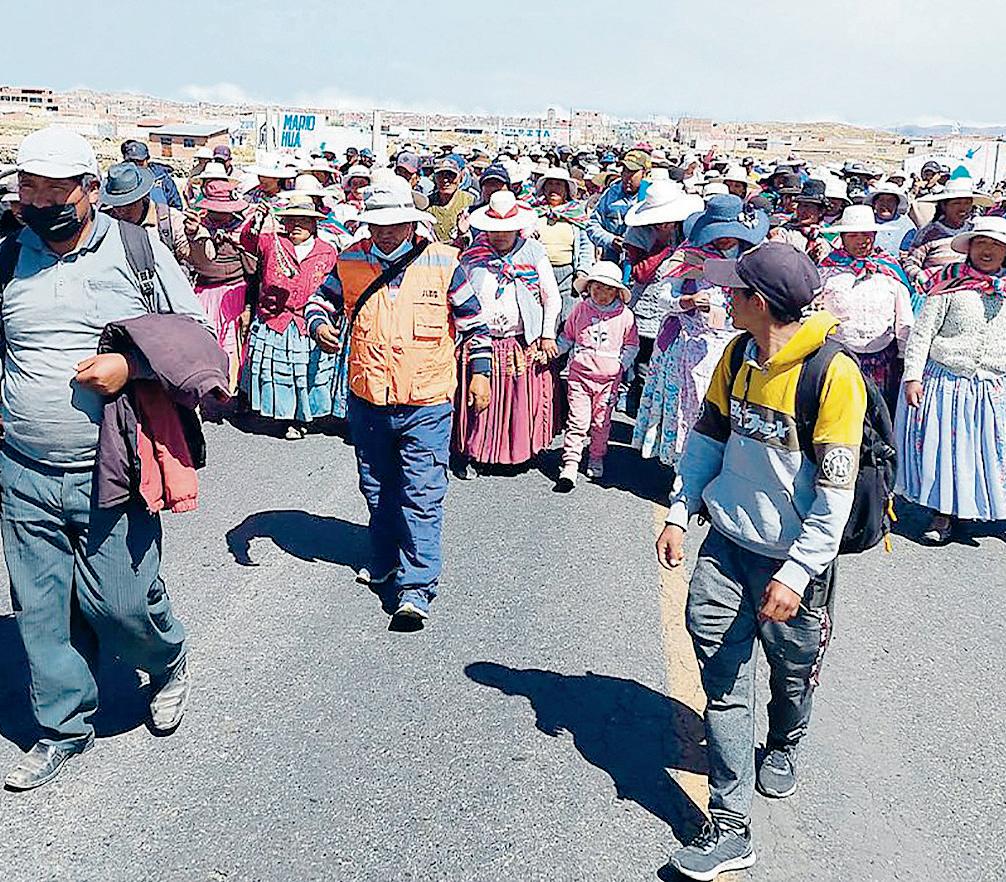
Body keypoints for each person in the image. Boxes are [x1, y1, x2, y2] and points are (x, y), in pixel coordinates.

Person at [0, 126, 213, 790]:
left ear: (91, 189)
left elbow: (200, 338)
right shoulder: (7, 254)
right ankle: (64, 726)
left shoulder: (137, 250)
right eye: (29, 188)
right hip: (23, 466)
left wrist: (130, 365)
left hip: (114, 467)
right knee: (42, 611)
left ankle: (167, 659)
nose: (39, 202)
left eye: (54, 189)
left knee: (121, 604)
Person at [656, 242, 867, 881]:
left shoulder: (834, 375)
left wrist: (797, 573)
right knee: (722, 682)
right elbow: (708, 438)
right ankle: (730, 826)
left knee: (791, 673)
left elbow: (835, 493)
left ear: (762, 302)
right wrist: (680, 510)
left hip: (792, 562)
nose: (725, 296)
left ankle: (783, 742)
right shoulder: (736, 354)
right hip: (727, 546)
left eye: (736, 290)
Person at [305, 179, 492, 622]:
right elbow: (319, 302)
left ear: (412, 222)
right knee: (376, 485)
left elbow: (475, 327)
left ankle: (416, 588)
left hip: (427, 401)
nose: (385, 233)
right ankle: (386, 558)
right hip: (368, 396)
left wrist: (480, 376)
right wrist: (319, 326)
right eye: (377, 225)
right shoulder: (349, 261)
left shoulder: (445, 262)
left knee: (421, 493)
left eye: (394, 225)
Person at [632, 195, 768, 467]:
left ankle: (726, 469)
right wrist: (688, 301)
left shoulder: (753, 257)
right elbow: (664, 296)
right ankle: (687, 468)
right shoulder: (689, 256)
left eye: (730, 233)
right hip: (692, 347)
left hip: (739, 344)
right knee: (692, 409)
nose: (725, 240)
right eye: (719, 233)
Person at [896, 215, 1006, 544]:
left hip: (992, 385)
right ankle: (943, 514)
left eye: (996, 245)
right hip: (948, 382)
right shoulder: (948, 284)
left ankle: (993, 510)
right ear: (969, 247)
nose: (987, 251)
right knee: (949, 453)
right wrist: (912, 377)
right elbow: (922, 334)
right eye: (981, 243)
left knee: (991, 453)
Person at [452, 191, 562, 477]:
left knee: (517, 401)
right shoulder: (473, 256)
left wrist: (547, 334)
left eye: (506, 230)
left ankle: (516, 452)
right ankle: (474, 451)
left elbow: (551, 296)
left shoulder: (534, 252)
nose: (499, 236)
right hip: (480, 340)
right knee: (478, 396)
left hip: (519, 341)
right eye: (494, 230)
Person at [238, 195, 340, 439]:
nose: (295, 225)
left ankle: (304, 417)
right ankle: (286, 418)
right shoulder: (272, 243)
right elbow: (247, 241)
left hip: (309, 323)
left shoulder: (327, 251)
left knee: (307, 372)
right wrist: (257, 218)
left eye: (303, 220)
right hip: (276, 321)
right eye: (291, 220)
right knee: (277, 372)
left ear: (314, 223)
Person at [817, 205, 915, 411]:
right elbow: (815, 312)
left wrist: (905, 358)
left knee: (879, 415)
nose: (861, 240)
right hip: (838, 357)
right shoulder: (826, 271)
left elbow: (904, 319)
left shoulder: (889, 270)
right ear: (842, 237)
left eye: (867, 234)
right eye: (853, 235)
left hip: (884, 361)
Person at [554, 262, 638, 490]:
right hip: (580, 376)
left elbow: (632, 345)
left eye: (609, 289)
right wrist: (554, 351)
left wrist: (620, 365)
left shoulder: (625, 316)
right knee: (578, 420)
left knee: (601, 422)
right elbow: (568, 336)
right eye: (597, 287)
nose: (602, 294)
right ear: (589, 287)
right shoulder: (580, 309)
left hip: (608, 381)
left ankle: (596, 456)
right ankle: (570, 463)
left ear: (617, 292)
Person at [184, 179, 256, 393]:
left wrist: (248, 306)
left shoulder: (243, 229)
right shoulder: (198, 226)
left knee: (231, 343)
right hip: (204, 291)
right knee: (204, 341)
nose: (218, 215)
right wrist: (196, 234)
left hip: (234, 292)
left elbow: (253, 268)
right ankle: (206, 385)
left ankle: (229, 387)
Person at [904, 177, 991, 288]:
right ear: (944, 206)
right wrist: (927, 278)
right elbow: (910, 263)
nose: (963, 208)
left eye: (967, 203)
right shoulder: (928, 234)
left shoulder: (975, 231)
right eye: (957, 203)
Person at [532, 167, 594, 319]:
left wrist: (582, 272)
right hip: (537, 274)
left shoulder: (576, 213)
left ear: (566, 190)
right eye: (550, 184)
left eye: (559, 184)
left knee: (567, 319)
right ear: (544, 188)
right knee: (540, 318)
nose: (554, 188)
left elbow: (586, 245)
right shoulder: (533, 213)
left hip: (567, 276)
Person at [99, 162, 190, 264]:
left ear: (142, 197)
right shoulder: (104, 223)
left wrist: (193, 237)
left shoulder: (170, 220)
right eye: (117, 205)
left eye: (129, 204)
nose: (122, 211)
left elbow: (194, 262)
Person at [586, 149, 652, 261]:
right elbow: (592, 224)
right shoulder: (611, 194)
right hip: (612, 259)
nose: (626, 176)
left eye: (632, 172)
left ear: (644, 174)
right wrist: (610, 240)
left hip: (642, 261)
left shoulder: (651, 196)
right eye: (625, 171)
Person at [769, 178, 832, 262]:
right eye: (800, 205)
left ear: (821, 211)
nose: (802, 211)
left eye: (807, 206)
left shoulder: (830, 235)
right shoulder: (786, 232)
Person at [120, 139, 183, 210]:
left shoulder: (162, 178)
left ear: (146, 160)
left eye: (139, 161)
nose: (135, 165)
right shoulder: (120, 179)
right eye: (131, 161)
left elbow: (177, 206)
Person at [427, 156, 474, 245]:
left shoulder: (470, 201)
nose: (445, 180)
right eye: (440, 175)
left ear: (460, 177)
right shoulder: (427, 203)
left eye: (451, 175)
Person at [866, 182, 917, 256]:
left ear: (897, 204)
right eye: (881, 200)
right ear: (875, 204)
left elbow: (908, 252)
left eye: (890, 201)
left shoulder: (907, 226)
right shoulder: (866, 220)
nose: (885, 204)